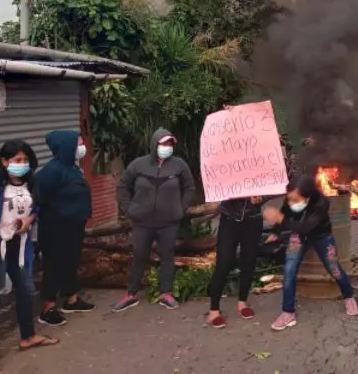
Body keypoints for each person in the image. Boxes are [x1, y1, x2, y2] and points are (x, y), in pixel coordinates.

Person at [0, 140, 59, 372]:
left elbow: (36, 208)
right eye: (17, 160)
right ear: (4, 161)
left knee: (26, 291)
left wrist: (29, 220)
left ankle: (27, 337)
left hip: (20, 250)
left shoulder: (31, 184)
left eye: (25, 160)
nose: (22, 164)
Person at [113, 128, 196, 312]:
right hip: (142, 222)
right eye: (164, 144)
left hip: (168, 223)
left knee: (167, 256)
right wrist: (129, 208)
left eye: (170, 144)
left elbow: (190, 188)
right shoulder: (138, 164)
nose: (167, 147)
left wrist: (180, 209)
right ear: (154, 144)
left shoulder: (179, 165)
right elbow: (123, 187)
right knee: (139, 255)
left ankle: (165, 293)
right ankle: (132, 293)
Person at [262, 175, 358, 331]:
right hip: (298, 237)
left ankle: (348, 296)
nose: (291, 202)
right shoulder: (291, 199)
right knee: (289, 271)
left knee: (334, 269)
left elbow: (305, 227)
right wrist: (275, 232)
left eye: (295, 199)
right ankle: (288, 312)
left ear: (307, 197)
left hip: (321, 237)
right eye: (289, 198)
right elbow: (285, 212)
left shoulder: (321, 203)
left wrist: (280, 219)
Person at [35, 130, 95, 327]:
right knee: (54, 265)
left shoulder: (72, 168)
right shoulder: (52, 172)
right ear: (66, 146)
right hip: (55, 228)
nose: (81, 146)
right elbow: (37, 198)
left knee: (71, 261)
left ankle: (72, 299)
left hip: (73, 226)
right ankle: (48, 308)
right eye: (78, 142)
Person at [205, 195, 268, 328]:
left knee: (249, 261)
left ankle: (242, 302)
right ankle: (214, 310)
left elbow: (272, 185)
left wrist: (262, 198)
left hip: (253, 219)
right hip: (230, 218)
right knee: (224, 262)